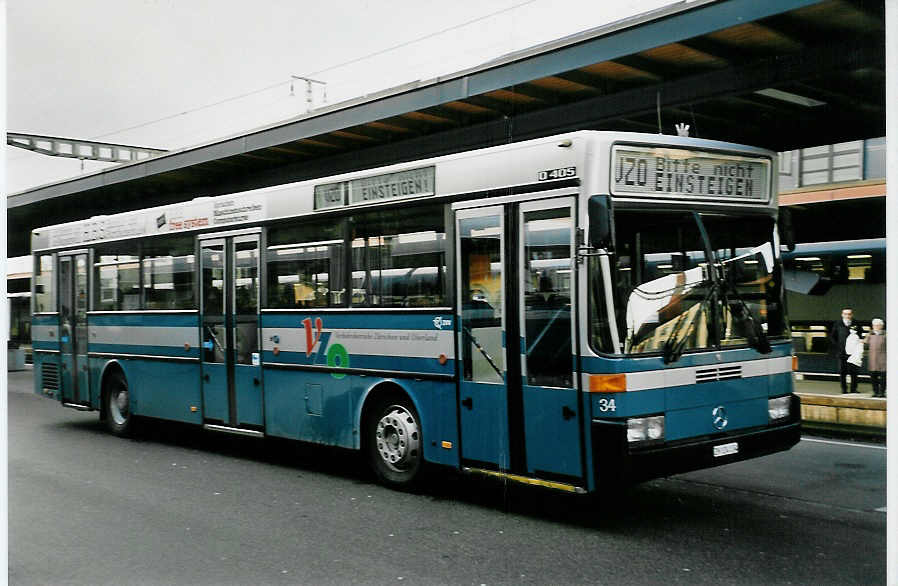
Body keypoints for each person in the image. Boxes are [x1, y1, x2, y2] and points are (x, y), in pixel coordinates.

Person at [828, 307, 863, 394]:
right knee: (842, 372)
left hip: (853, 353)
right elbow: (832, 336)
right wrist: (838, 346)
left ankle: (853, 389)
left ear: (852, 315)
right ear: (842, 314)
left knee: (854, 372)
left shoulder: (856, 323)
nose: (847, 315)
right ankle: (844, 389)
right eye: (845, 314)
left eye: (849, 314)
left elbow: (860, 336)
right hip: (842, 352)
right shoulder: (838, 324)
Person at [865, 318, 887, 398]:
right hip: (872, 359)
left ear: (881, 326)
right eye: (874, 325)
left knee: (883, 378)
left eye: (878, 325)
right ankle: (875, 391)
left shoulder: (886, 335)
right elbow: (865, 344)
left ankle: (882, 392)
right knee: (873, 377)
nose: (876, 327)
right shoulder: (869, 334)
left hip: (883, 359)